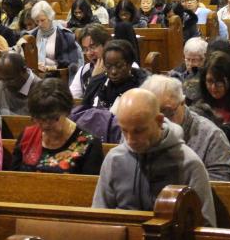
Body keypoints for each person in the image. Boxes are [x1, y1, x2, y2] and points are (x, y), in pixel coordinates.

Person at [92, 89, 216, 226]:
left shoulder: (188, 163)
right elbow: (99, 218)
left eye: (139, 131)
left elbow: (205, 226)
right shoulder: (114, 159)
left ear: (159, 121)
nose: (130, 140)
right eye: (124, 130)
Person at [142, 75, 230, 181]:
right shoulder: (137, 130)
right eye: (152, 115)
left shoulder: (211, 136)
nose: (161, 121)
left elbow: (219, 185)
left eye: (167, 112)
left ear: (183, 102)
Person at [11, 77, 104, 174]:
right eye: (38, 119)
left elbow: (89, 187)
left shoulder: (88, 145)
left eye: (51, 119)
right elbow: (13, 179)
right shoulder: (27, 136)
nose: (45, 125)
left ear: (66, 111)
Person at [82, 40, 149, 110]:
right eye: (108, 66)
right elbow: (83, 112)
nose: (113, 72)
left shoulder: (144, 85)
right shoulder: (96, 83)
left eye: (119, 66)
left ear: (130, 64)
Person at [29, 1, 82, 73]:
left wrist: (50, 68)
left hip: (57, 74)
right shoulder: (32, 35)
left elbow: (71, 63)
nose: (40, 24)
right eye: (37, 21)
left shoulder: (64, 35)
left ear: (50, 17)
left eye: (42, 20)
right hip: (36, 73)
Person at [70, 24, 110, 98]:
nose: (89, 53)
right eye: (85, 49)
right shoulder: (84, 70)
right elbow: (72, 99)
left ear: (106, 44)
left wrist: (96, 79)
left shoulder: (124, 67)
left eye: (93, 47)